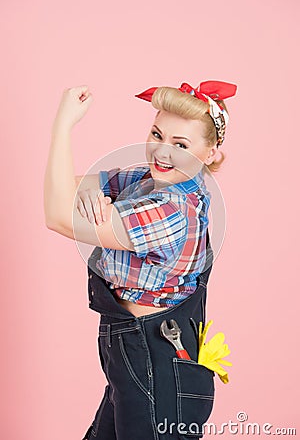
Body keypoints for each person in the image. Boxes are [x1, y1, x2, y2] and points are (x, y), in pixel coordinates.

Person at [44, 79, 237, 439]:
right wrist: (89, 201)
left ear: (210, 153)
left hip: (155, 363)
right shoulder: (149, 182)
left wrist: (64, 124)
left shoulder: (170, 210)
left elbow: (55, 214)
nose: (162, 153)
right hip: (133, 358)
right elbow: (64, 189)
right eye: (157, 134)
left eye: (180, 145)